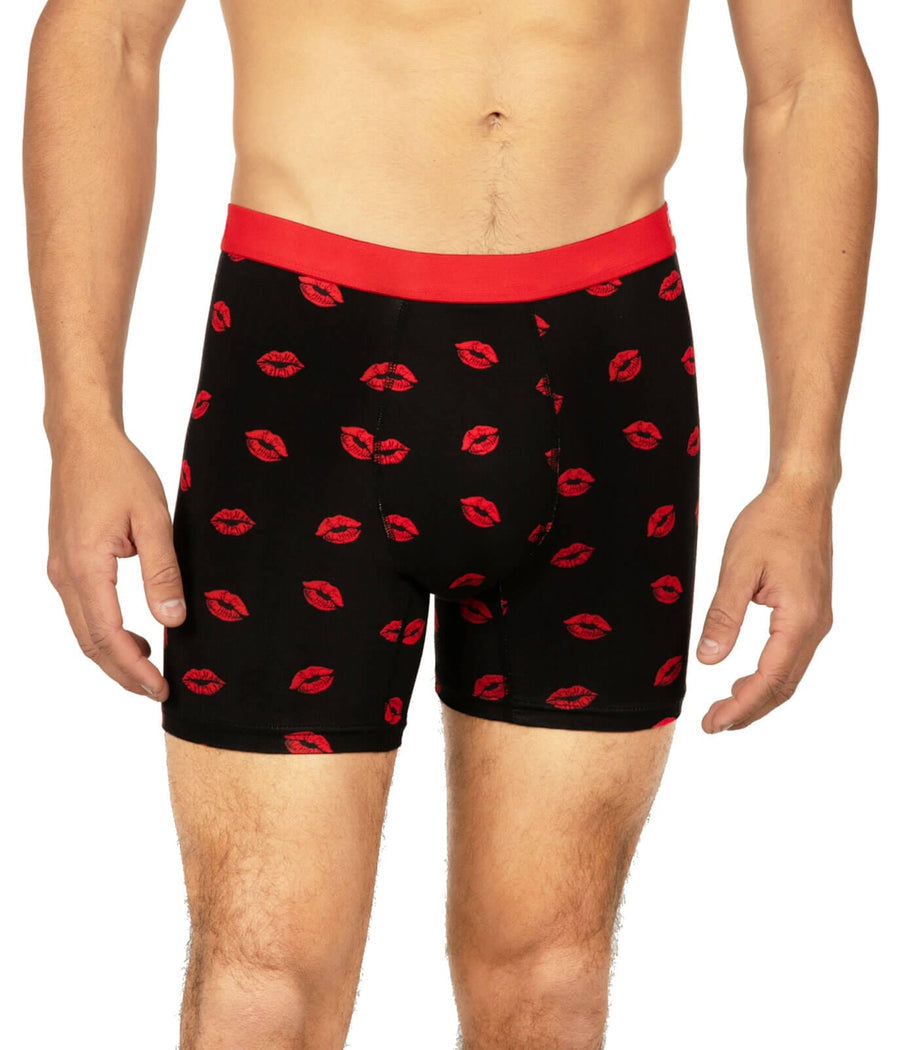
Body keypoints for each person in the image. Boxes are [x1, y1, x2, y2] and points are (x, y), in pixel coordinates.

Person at [23, 0, 876, 1047]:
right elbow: (103, 35)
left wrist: (805, 475)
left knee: (551, 978)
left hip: (605, 375)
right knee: (264, 980)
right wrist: (80, 424)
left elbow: (805, 80)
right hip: (307, 368)